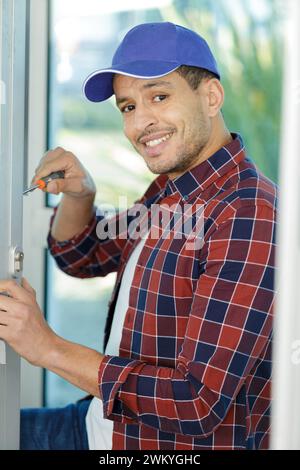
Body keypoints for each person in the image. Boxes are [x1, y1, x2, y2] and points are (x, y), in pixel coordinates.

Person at [0, 22, 277, 450]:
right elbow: (81, 255)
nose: (141, 122)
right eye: (128, 107)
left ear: (211, 97)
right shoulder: (173, 189)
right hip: (101, 425)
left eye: (159, 97)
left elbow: (197, 404)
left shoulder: (248, 214)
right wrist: (81, 193)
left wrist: (47, 348)